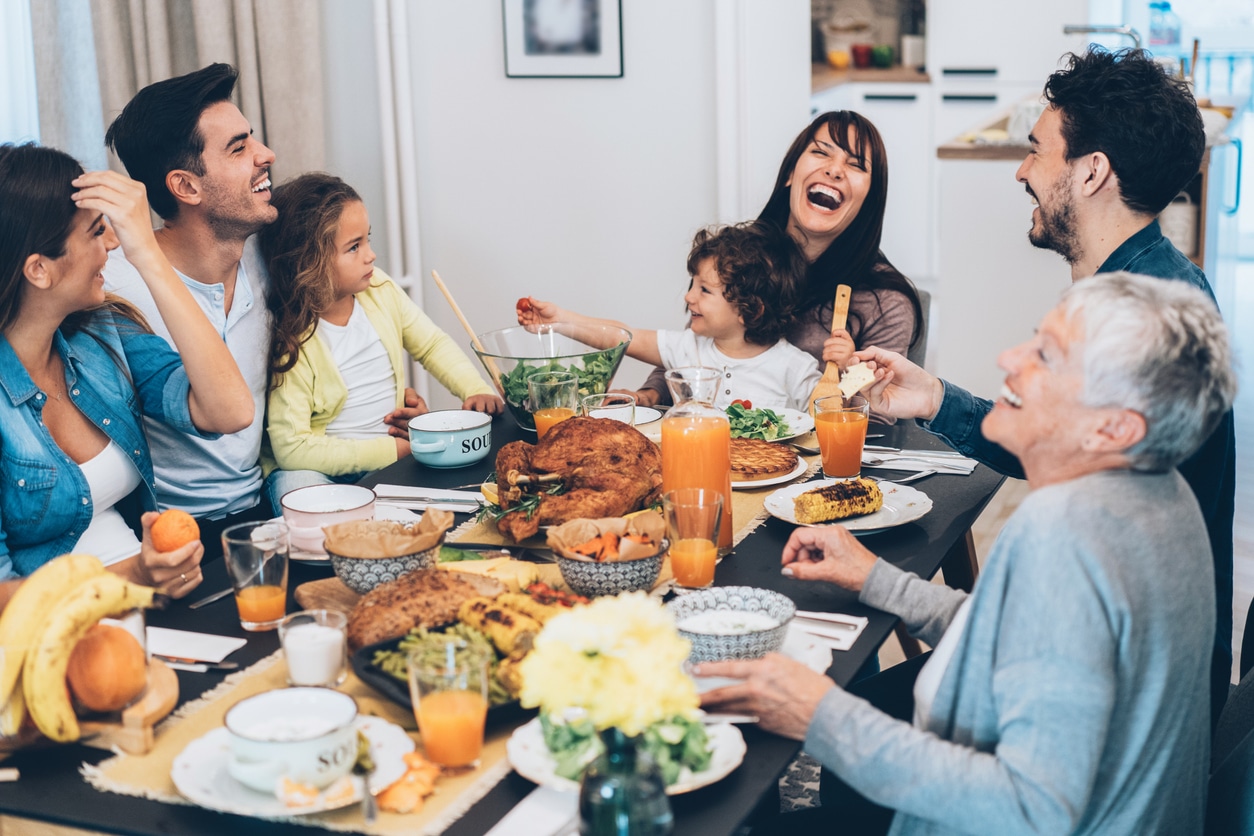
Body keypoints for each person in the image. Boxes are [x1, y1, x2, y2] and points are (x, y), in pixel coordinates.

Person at [700, 272, 1237, 835]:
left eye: (1047, 357)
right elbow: (1022, 638)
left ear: (1112, 427)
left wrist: (819, 715)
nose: (1009, 357)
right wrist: (877, 578)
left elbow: (1033, 809)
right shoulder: (1162, 492)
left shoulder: (1068, 533)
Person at [856, 47, 1238, 725]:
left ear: (1091, 172)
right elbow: (1064, 443)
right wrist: (934, 398)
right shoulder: (1139, 284)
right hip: (1121, 666)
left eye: (1037, 150)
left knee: (858, 708)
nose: (1022, 171)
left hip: (1123, 698)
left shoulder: (1140, 322)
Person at [101, 63, 427, 557]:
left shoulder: (273, 253)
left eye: (252, 139)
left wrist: (381, 406)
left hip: (273, 502)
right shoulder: (116, 288)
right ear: (185, 187)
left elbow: (357, 315)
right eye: (239, 148)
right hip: (176, 537)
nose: (266, 155)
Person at [0, 143, 254, 596]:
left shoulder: (103, 334)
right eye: (98, 232)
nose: (114, 243)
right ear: (39, 270)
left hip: (150, 605)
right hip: (52, 640)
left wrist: (149, 256)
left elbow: (229, 411)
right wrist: (132, 575)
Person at [634, 111, 923, 407]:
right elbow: (696, 348)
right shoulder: (741, 255)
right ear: (790, 174)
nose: (835, 170)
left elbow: (876, 414)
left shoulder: (886, 304)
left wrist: (850, 368)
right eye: (821, 152)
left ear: (869, 197)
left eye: (856, 165)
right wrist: (651, 394)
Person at [258, 173, 502, 511]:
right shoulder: (293, 339)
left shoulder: (380, 291)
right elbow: (292, 449)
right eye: (354, 247)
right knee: (298, 491)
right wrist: (393, 452)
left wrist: (474, 389)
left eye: (367, 240)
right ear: (309, 261)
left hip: (386, 456)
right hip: (318, 469)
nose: (371, 256)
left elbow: (431, 344)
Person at [518, 222, 819, 411]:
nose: (689, 297)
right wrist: (557, 320)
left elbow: (833, 415)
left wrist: (847, 370)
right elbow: (621, 336)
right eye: (692, 285)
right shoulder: (688, 348)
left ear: (750, 309)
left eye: (705, 290)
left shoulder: (794, 367)